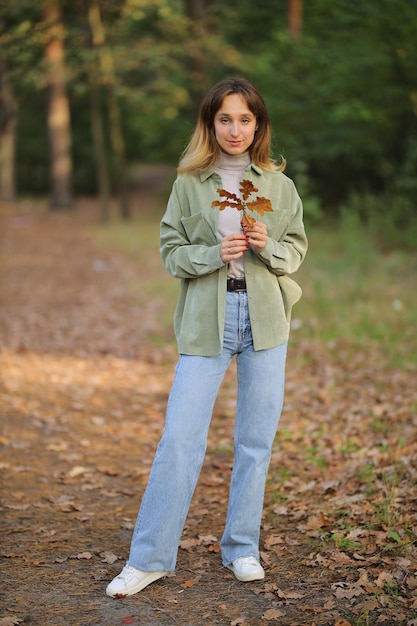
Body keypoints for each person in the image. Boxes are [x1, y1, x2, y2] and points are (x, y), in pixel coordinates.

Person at [106, 77, 308, 598]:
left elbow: (296, 252)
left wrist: (268, 247)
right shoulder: (188, 184)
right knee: (180, 437)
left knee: (255, 442)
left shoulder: (279, 186)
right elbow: (172, 252)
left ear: (258, 124)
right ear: (210, 124)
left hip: (266, 320)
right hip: (206, 320)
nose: (235, 129)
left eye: (245, 119)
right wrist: (209, 255)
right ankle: (149, 558)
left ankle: (241, 548)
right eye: (225, 119)